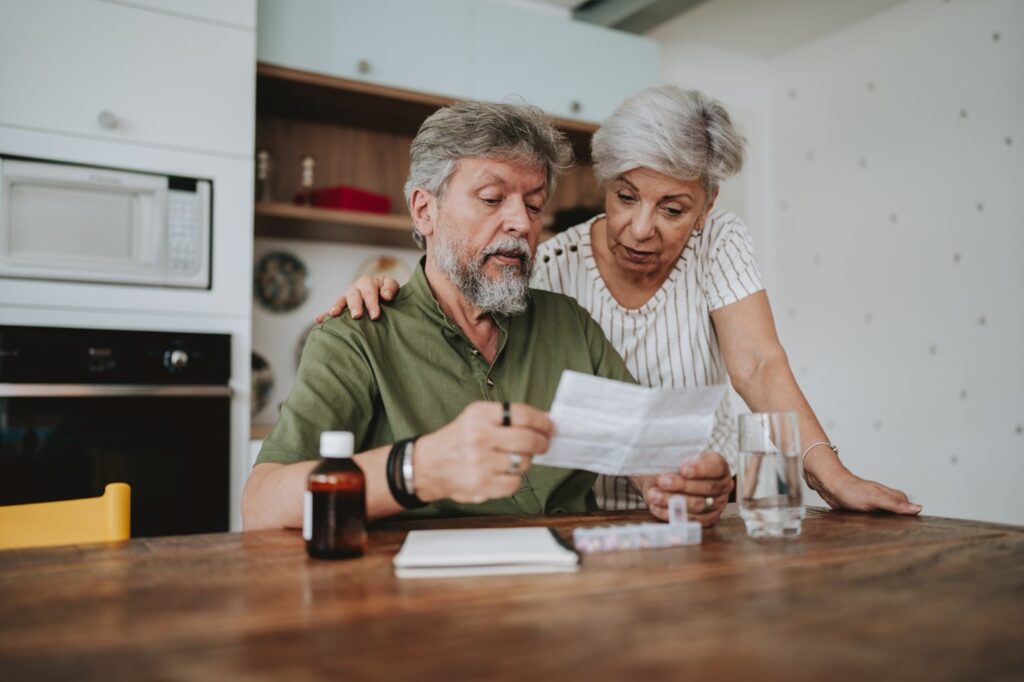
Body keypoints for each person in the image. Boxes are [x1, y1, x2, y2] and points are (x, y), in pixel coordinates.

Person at [318, 85, 923, 523]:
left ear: (706, 205)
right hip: (591, 516)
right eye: (626, 196)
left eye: (673, 209)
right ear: (604, 182)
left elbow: (759, 367)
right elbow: (463, 277)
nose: (640, 230)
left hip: (685, 503)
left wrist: (829, 478)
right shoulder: (547, 268)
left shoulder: (706, 249)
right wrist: (396, 286)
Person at [244, 100, 659, 528]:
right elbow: (261, 504)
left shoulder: (569, 322)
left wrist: (674, 482)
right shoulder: (355, 337)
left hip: (569, 582)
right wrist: (417, 469)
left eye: (534, 206)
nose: (521, 222)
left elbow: (642, 446)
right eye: (492, 199)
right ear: (425, 211)